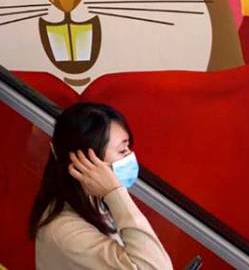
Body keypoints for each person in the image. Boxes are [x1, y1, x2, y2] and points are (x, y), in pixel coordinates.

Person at [29, 103, 172, 270]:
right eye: (121, 150)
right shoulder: (64, 231)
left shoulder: (96, 203)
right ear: (86, 162)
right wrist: (114, 193)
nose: (130, 156)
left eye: (128, 147)